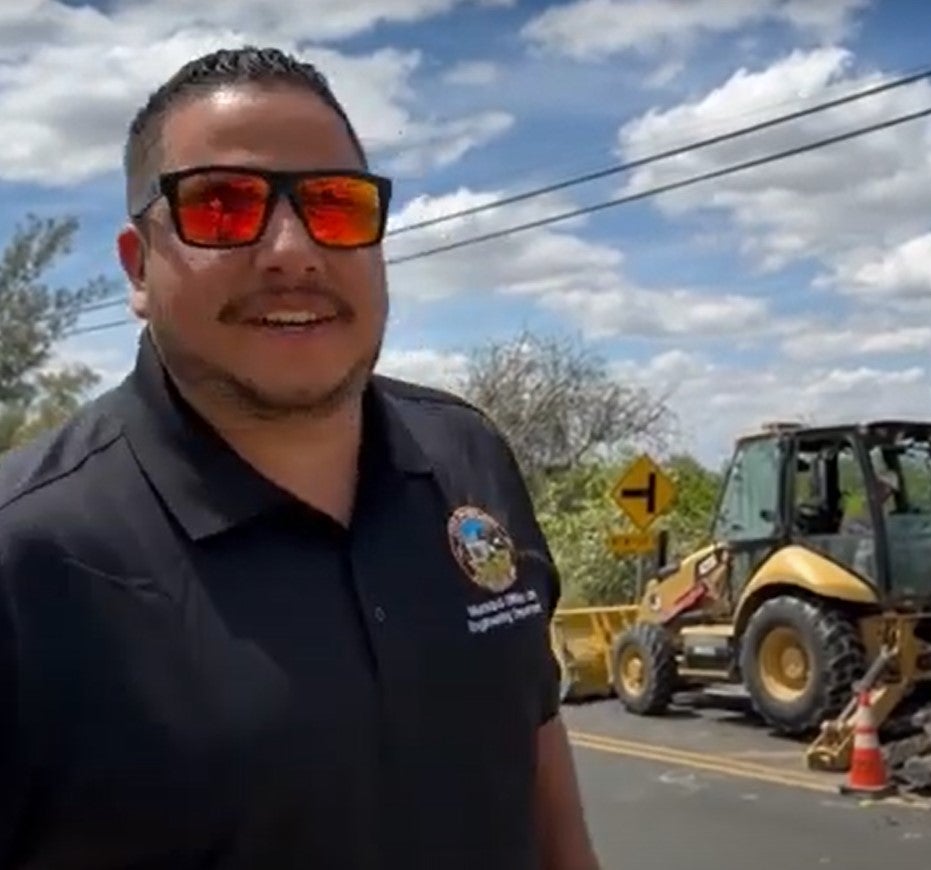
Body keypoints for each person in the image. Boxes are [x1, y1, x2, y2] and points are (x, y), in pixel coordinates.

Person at [0, 46, 601, 869]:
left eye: (335, 205)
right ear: (139, 268)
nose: (292, 249)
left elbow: (534, 752)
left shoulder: (469, 459)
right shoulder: (27, 556)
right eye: (221, 207)